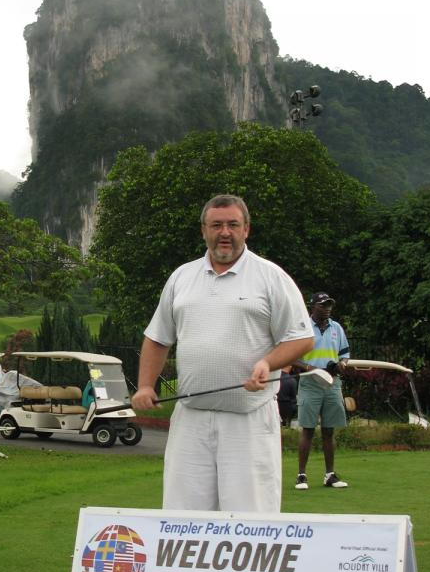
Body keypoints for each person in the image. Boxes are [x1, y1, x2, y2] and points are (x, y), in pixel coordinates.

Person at [131, 194, 314, 513]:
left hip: (249, 419)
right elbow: (158, 338)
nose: (224, 232)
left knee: (250, 521)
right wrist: (146, 385)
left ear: (247, 230)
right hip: (191, 417)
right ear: (204, 230)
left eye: (233, 224)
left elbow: (301, 339)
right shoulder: (181, 277)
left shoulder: (271, 277)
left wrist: (268, 362)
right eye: (217, 225)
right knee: (182, 519)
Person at [294, 292, 350, 490]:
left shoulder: (337, 328)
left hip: (332, 382)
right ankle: (301, 475)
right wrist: (310, 368)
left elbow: (344, 354)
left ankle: (330, 475)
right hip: (310, 382)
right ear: (313, 306)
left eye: (329, 305)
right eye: (323, 305)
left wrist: (342, 364)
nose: (327, 308)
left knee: (329, 430)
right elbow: (293, 356)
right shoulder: (303, 327)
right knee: (308, 429)